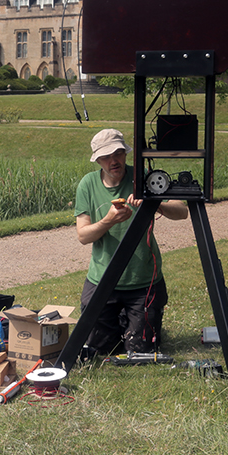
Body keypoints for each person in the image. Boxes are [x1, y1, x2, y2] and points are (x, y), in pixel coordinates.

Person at [74, 128, 188, 357]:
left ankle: (133, 321)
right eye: (106, 156)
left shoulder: (143, 177)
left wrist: (154, 203)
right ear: (97, 160)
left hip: (143, 281)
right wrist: (108, 220)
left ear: (126, 154)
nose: (113, 161)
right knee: (99, 350)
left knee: (140, 352)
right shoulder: (87, 184)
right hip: (102, 279)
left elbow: (182, 211)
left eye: (118, 153)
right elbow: (83, 236)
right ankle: (121, 321)